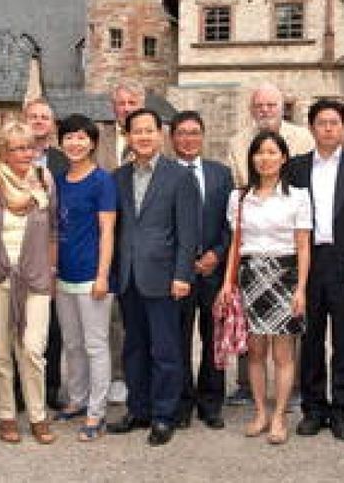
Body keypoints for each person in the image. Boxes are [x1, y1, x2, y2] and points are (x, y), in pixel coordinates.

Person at [106, 108, 201, 446]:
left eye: (149, 130)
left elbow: (188, 233)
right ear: (128, 136)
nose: (143, 137)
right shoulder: (117, 177)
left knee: (165, 350)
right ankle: (139, 409)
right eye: (137, 131)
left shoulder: (179, 177)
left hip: (165, 279)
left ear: (160, 135)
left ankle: (164, 415)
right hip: (130, 277)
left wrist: (182, 274)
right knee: (134, 348)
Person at [287, 99, 344, 442]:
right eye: (321, 122)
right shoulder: (295, 168)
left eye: (334, 123)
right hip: (308, 261)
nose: (327, 128)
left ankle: (341, 409)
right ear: (311, 127)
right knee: (309, 339)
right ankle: (313, 408)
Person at [218, 131, 312, 445]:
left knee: (284, 354)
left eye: (272, 152)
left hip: (285, 275)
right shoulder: (239, 197)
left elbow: (303, 247)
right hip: (250, 276)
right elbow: (235, 243)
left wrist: (301, 288)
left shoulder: (298, 196)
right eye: (259, 152)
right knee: (255, 352)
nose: (265, 158)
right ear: (252, 158)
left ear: (284, 157)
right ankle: (259, 411)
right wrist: (227, 284)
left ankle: (280, 415)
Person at [0, 121, 59, 445]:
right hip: (0, 277)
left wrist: (52, 270)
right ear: (2, 152)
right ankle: (6, 414)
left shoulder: (44, 180)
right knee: (0, 352)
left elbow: (53, 228)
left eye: (29, 147)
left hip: (37, 277)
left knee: (32, 350)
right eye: (16, 148)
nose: (25, 153)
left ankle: (38, 414)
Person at [52, 114, 118, 442]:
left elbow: (108, 231)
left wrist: (102, 275)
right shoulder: (59, 180)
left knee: (95, 345)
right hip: (63, 276)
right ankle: (77, 399)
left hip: (92, 277)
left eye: (81, 137)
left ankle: (97, 410)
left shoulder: (102, 181)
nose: (75, 143)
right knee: (72, 344)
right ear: (60, 142)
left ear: (92, 142)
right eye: (68, 137)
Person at [169, 111, 233, 430]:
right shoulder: (164, 174)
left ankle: (211, 403)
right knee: (178, 339)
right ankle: (182, 402)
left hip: (212, 272)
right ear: (172, 138)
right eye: (181, 133)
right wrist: (181, 261)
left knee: (214, 338)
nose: (188, 139)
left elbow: (231, 224)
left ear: (203, 136)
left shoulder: (221, 174)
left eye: (194, 132)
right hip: (177, 273)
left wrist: (216, 255)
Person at [97, 79, 145, 405]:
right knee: (113, 314)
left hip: (145, 240)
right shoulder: (98, 138)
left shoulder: (158, 136)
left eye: (132, 103)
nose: (126, 108)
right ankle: (117, 375)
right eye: (121, 103)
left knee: (144, 313)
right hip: (109, 238)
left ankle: (144, 374)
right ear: (113, 106)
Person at [24, 97, 68, 413]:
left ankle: (50, 386)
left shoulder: (63, 162)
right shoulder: (13, 159)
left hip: (53, 251)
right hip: (19, 252)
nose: (39, 121)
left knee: (52, 326)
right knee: (19, 324)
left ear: (52, 125)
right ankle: (18, 388)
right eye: (34, 116)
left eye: (45, 117)